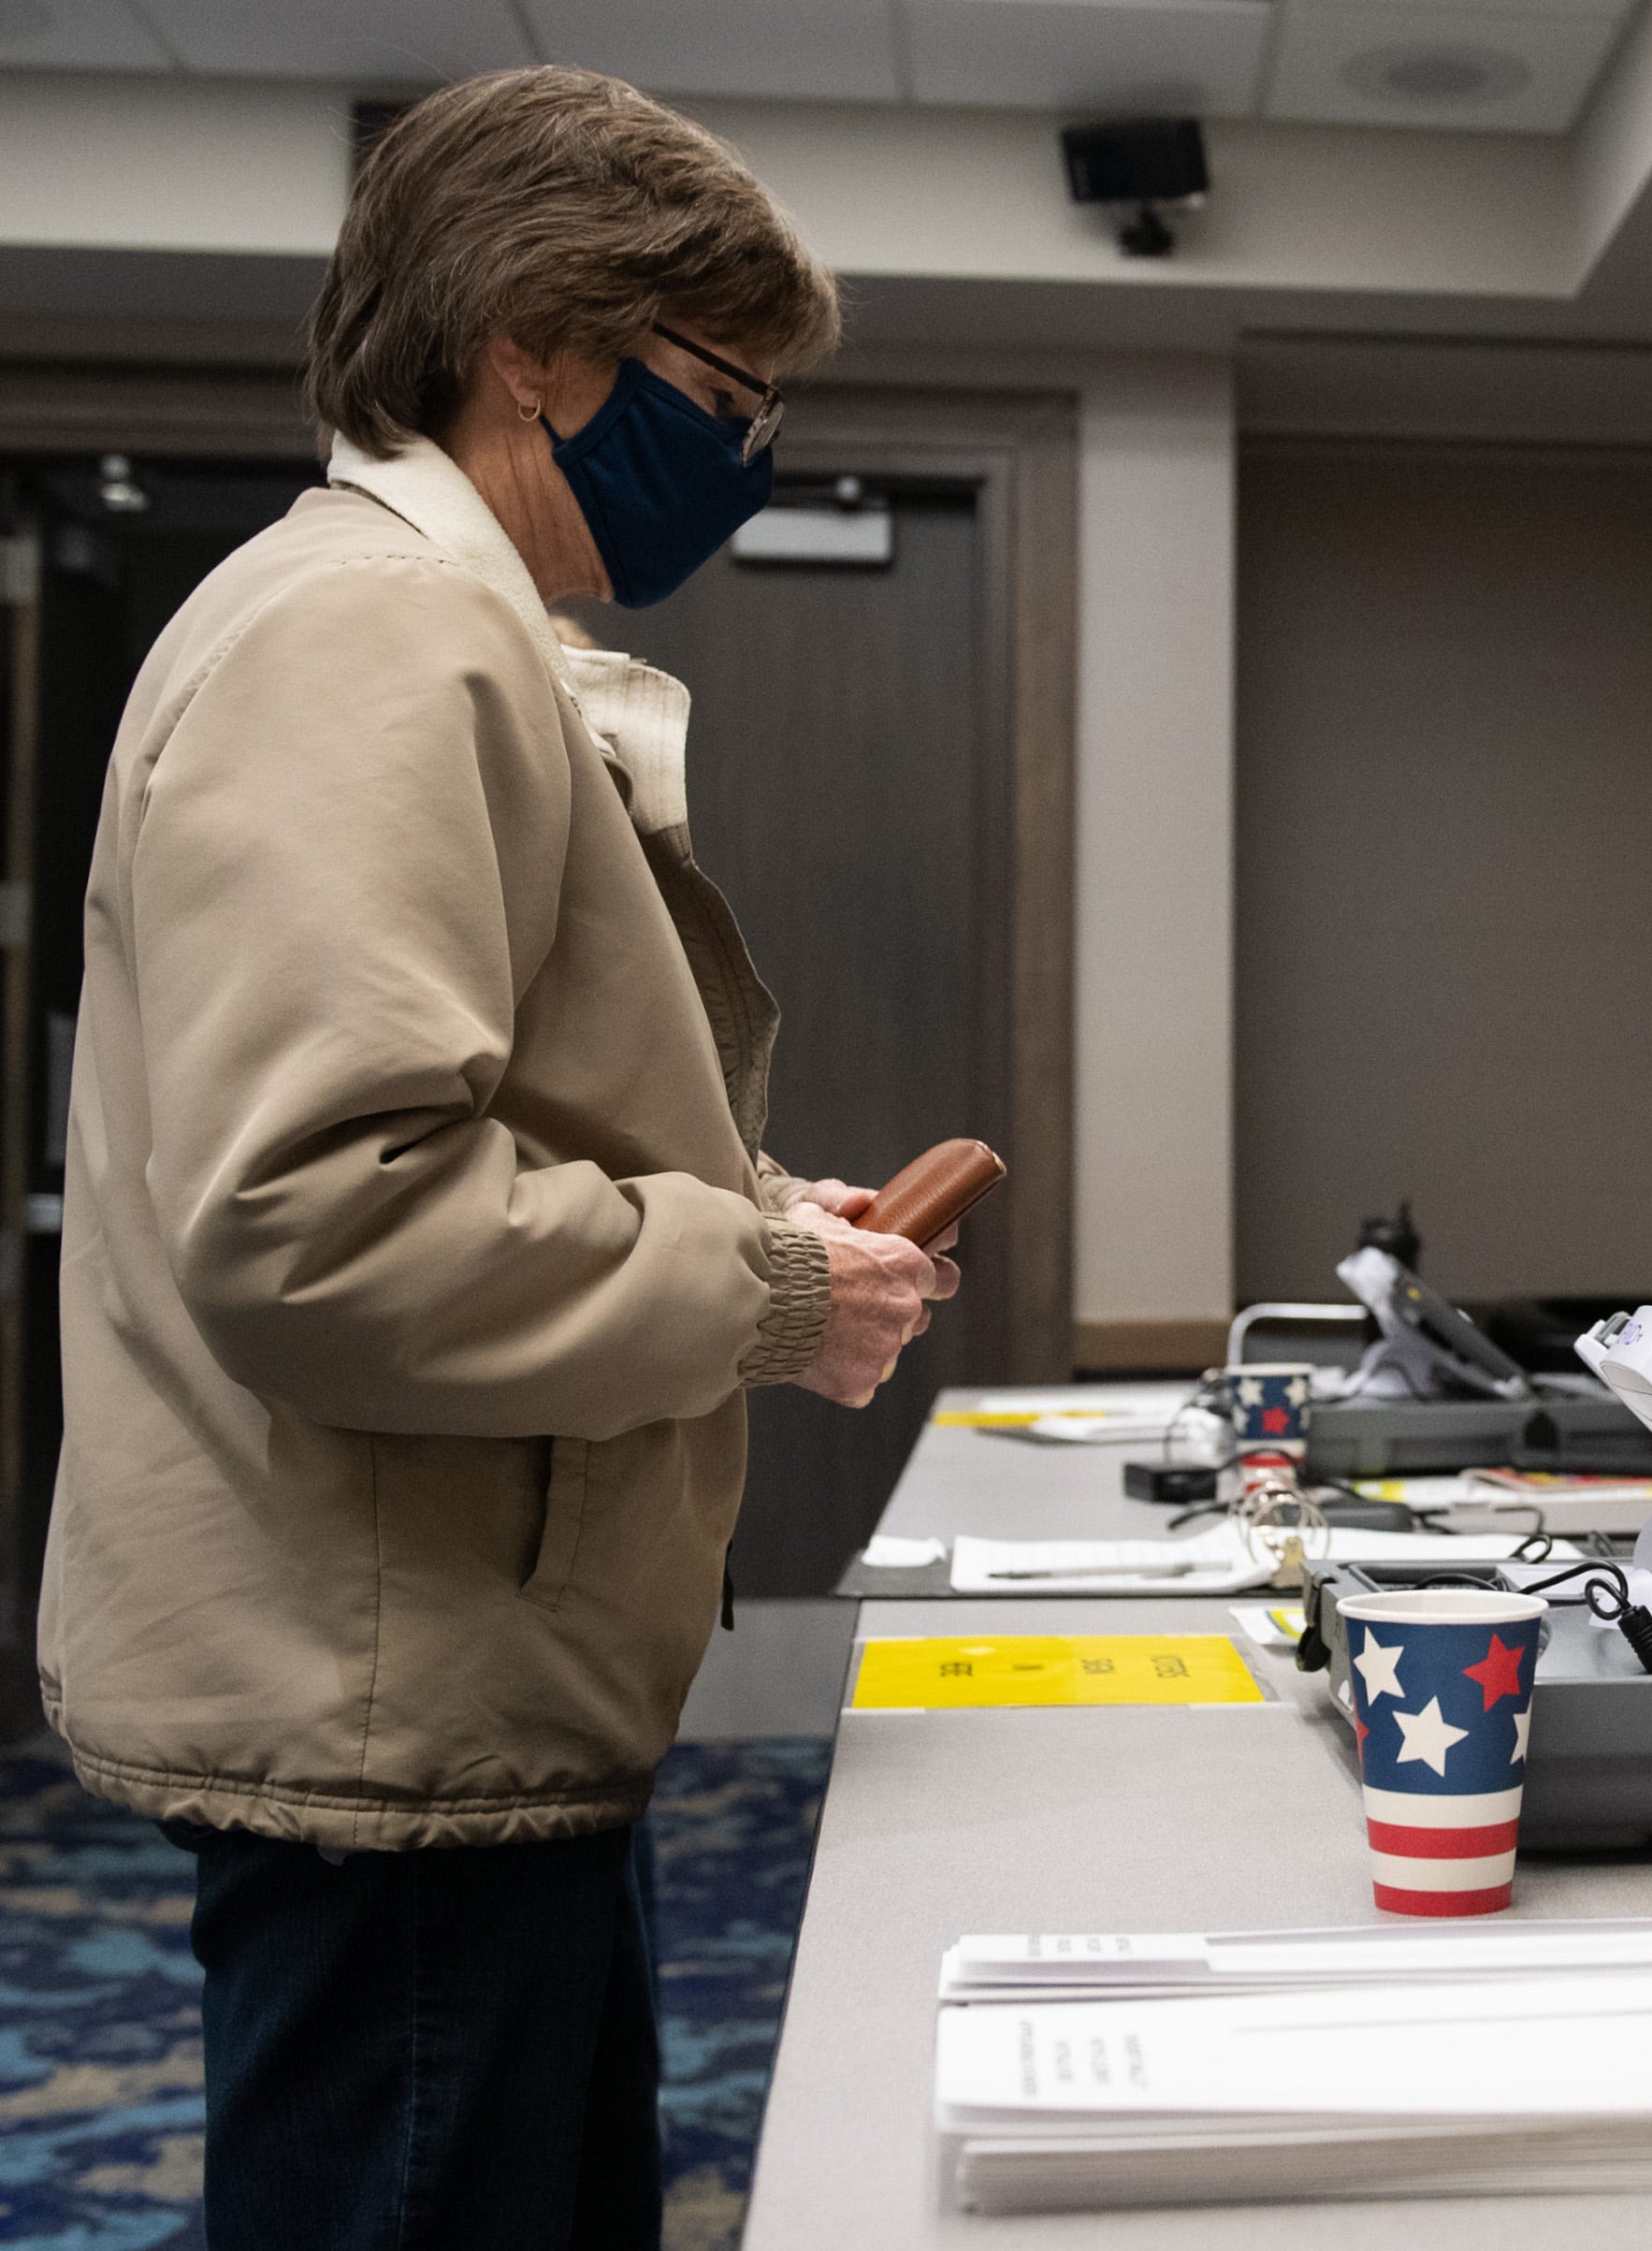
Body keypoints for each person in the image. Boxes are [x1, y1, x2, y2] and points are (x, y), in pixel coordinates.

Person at [37, 68, 952, 2249]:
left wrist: (752, 1216)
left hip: (456, 1691)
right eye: (725, 387)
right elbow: (323, 1218)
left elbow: (472, 1129)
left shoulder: (406, 625)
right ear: (529, 342)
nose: (751, 448)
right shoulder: (375, 625)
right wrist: (766, 1291)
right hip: (404, 1721)